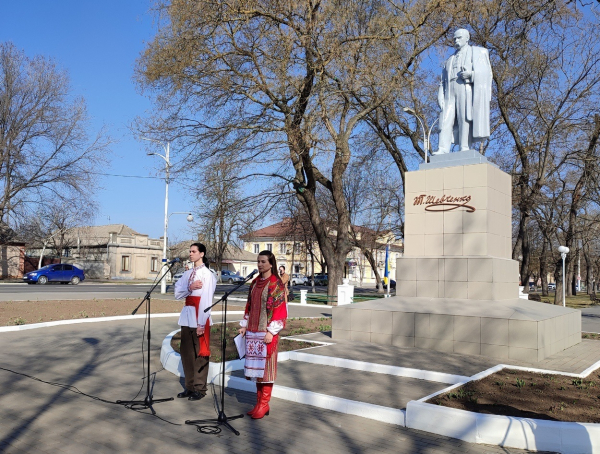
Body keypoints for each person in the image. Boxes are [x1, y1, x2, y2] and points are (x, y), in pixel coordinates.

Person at [238, 250, 287, 419]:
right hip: (253, 332)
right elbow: (249, 306)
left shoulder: (276, 284)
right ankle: (258, 404)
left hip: (266, 333)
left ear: (271, 264)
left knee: (266, 371)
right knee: (257, 372)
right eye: (258, 261)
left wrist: (271, 331)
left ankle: (264, 404)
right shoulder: (254, 282)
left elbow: (280, 310)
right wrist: (244, 325)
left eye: (263, 262)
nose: (260, 264)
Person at [435, 28, 492, 155]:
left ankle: (464, 146)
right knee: (445, 119)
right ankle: (443, 148)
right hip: (450, 91)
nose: (456, 40)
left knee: (464, 117)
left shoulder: (476, 52)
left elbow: (487, 73)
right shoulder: (449, 60)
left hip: (465, 89)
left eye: (459, 37)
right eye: (454, 38)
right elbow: (442, 81)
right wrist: (440, 95)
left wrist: (471, 74)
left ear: (467, 38)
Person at [174, 243, 217, 401]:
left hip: (200, 316)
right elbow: (177, 293)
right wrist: (190, 287)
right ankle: (189, 386)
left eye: (193, 251)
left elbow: (206, 300)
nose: (190, 254)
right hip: (187, 316)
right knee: (187, 353)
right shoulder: (188, 274)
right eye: (190, 251)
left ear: (201, 254)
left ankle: (200, 388)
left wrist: (201, 323)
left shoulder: (207, 274)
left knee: (200, 354)